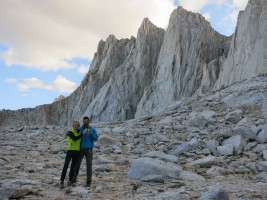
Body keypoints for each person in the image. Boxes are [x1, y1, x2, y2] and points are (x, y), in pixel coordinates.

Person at [73, 116, 98, 187]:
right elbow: (75, 134)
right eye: (84, 121)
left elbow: (96, 138)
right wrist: (68, 132)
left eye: (86, 121)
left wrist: (91, 134)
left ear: (88, 121)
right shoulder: (80, 129)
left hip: (89, 150)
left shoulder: (92, 129)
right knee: (77, 164)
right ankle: (74, 178)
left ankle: (88, 181)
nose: (85, 122)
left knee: (89, 165)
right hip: (80, 150)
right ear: (83, 121)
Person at [59, 120, 82, 188]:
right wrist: (82, 134)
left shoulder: (79, 132)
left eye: (78, 125)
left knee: (73, 166)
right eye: (75, 125)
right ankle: (62, 181)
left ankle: (70, 180)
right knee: (66, 165)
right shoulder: (70, 132)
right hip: (70, 150)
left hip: (77, 151)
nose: (76, 126)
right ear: (73, 126)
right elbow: (74, 138)